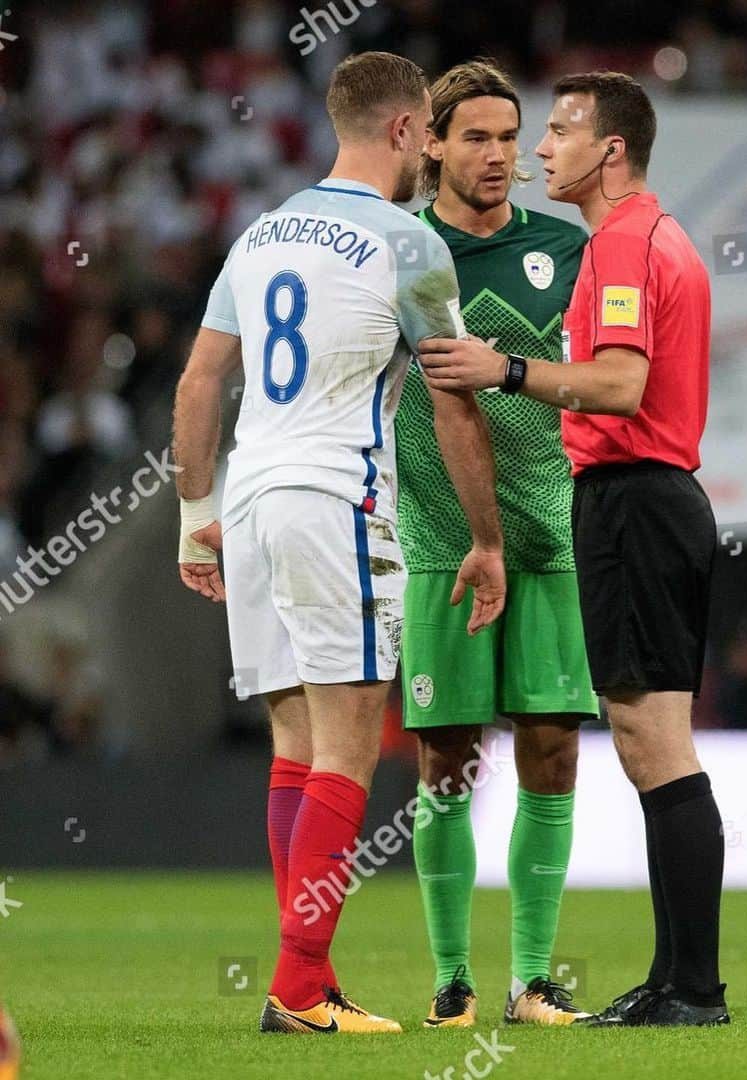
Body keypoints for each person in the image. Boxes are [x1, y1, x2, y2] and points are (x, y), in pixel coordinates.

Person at [172, 51, 506, 1036]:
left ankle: (301, 976)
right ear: (408, 130)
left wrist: (197, 518)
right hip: (339, 501)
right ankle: (301, 985)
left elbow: (197, 386)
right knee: (353, 743)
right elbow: (453, 404)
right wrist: (485, 538)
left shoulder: (262, 233)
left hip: (255, 495)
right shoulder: (409, 245)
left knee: (296, 742)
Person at [418, 70, 728, 1027]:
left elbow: (620, 387)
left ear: (612, 150)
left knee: (653, 745)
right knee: (651, 744)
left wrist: (503, 369)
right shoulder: (642, 235)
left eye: (558, 130)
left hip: (633, 498)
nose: (538, 150)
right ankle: (677, 980)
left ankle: (691, 987)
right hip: (650, 499)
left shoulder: (626, 243)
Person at [396, 59, 598, 1029]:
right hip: (441, 540)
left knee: (552, 752)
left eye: (510, 138)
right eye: (475, 136)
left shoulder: (566, 248)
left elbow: (603, 378)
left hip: (551, 536)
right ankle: (450, 980)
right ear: (431, 143)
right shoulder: (400, 251)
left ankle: (533, 980)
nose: (497, 155)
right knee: (445, 764)